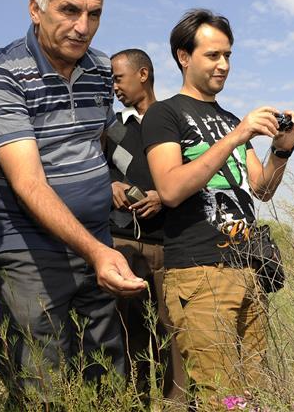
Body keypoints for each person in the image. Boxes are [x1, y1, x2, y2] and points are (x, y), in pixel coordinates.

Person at [0, 0, 146, 405]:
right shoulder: (1, 77)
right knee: (41, 386)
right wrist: (98, 251)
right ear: (36, 8)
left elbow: (96, 141)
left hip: (97, 242)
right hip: (32, 251)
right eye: (69, 10)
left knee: (106, 379)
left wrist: (127, 183)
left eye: (94, 14)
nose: (83, 26)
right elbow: (29, 184)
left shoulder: (102, 70)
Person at [143, 9, 294, 404]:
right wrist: (237, 135)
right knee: (221, 397)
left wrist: (282, 150)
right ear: (184, 57)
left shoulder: (230, 119)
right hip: (200, 274)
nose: (223, 65)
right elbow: (169, 189)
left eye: (228, 56)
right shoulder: (164, 115)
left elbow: (261, 189)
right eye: (213, 55)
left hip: (248, 270)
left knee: (254, 395)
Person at [105, 48, 186, 401]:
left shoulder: (173, 121)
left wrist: (162, 196)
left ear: (143, 75)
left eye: (118, 79)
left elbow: (191, 177)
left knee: (173, 338)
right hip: (123, 246)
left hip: (171, 249)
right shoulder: (113, 129)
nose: (114, 87)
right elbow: (94, 168)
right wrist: (110, 185)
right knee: (131, 339)